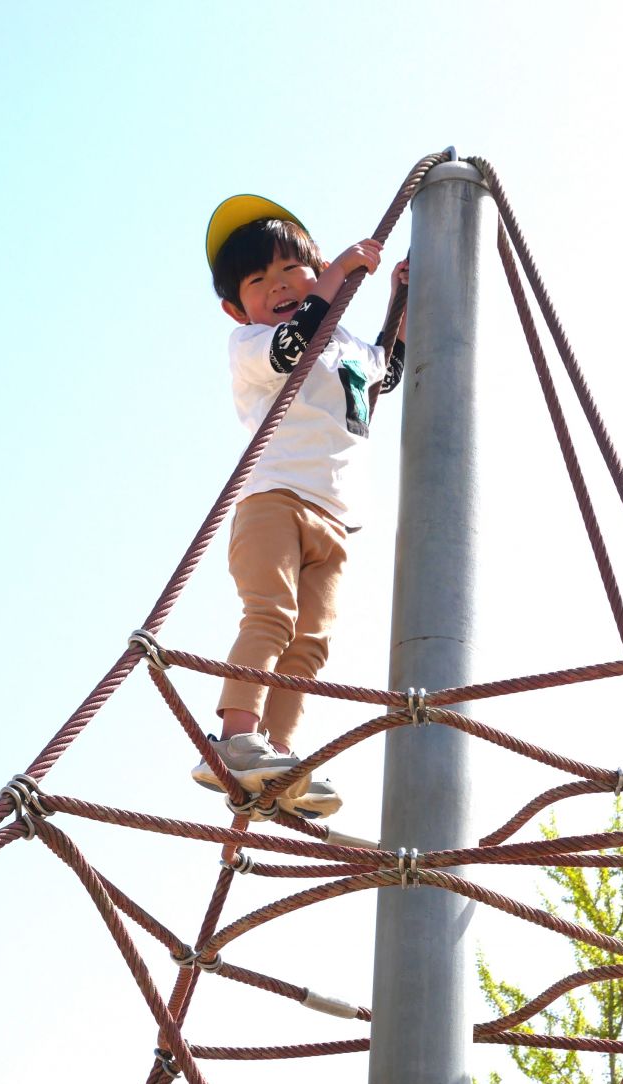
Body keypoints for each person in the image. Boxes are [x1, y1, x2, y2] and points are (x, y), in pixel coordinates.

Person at [192, 194, 408, 819]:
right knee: (272, 616)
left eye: (294, 271)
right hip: (274, 500)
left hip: (335, 516)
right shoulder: (252, 343)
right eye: (260, 281)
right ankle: (234, 740)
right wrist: (339, 273)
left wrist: (398, 301)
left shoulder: (345, 346)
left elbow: (383, 375)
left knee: (311, 642)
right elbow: (297, 342)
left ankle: (278, 756)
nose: (280, 286)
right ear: (238, 307)